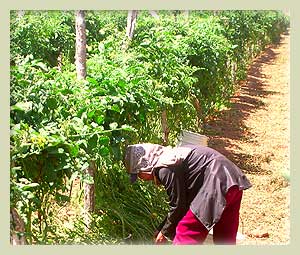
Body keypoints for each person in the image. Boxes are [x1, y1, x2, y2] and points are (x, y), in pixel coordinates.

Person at [124, 143, 252, 245]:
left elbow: (179, 205)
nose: (141, 178)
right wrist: (162, 228)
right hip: (232, 181)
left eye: (138, 174)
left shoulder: (164, 167)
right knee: (225, 237)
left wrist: (164, 233)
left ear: (144, 165)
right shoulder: (171, 156)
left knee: (187, 231)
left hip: (216, 182)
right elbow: (182, 203)